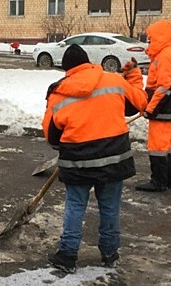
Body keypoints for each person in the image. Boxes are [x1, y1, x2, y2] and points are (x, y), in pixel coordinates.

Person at [42, 44, 148, 273]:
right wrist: (135, 77)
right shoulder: (114, 81)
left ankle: (68, 256)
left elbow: (51, 135)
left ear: (67, 69)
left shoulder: (59, 91)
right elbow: (140, 103)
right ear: (88, 62)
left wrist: (62, 145)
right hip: (114, 157)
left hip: (78, 161)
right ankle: (109, 253)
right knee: (110, 207)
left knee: (75, 207)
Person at [135, 19, 171, 192]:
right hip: (170, 108)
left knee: (157, 146)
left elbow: (164, 87)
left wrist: (151, 108)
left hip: (162, 109)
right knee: (169, 145)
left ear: (159, 37)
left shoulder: (165, 55)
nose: (149, 41)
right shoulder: (170, 53)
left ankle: (158, 181)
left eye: (150, 38)